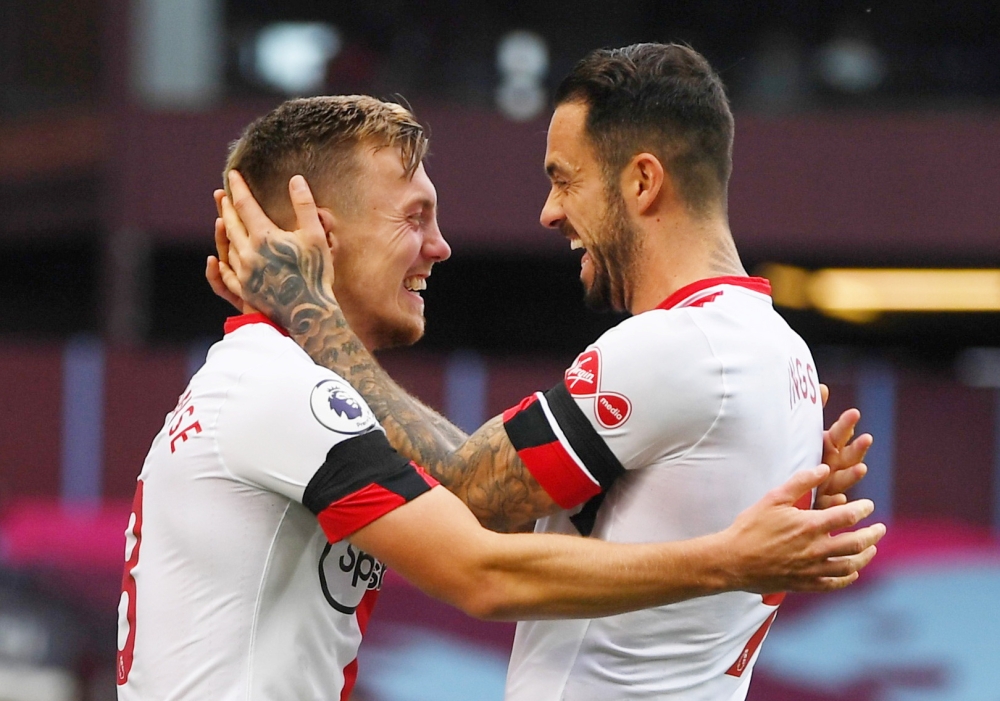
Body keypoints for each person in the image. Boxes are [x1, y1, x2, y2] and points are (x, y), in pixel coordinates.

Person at [210, 47, 877, 701]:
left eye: (565, 178)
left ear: (642, 181)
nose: (550, 211)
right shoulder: (782, 353)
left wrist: (310, 312)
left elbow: (469, 493)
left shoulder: (676, 346)